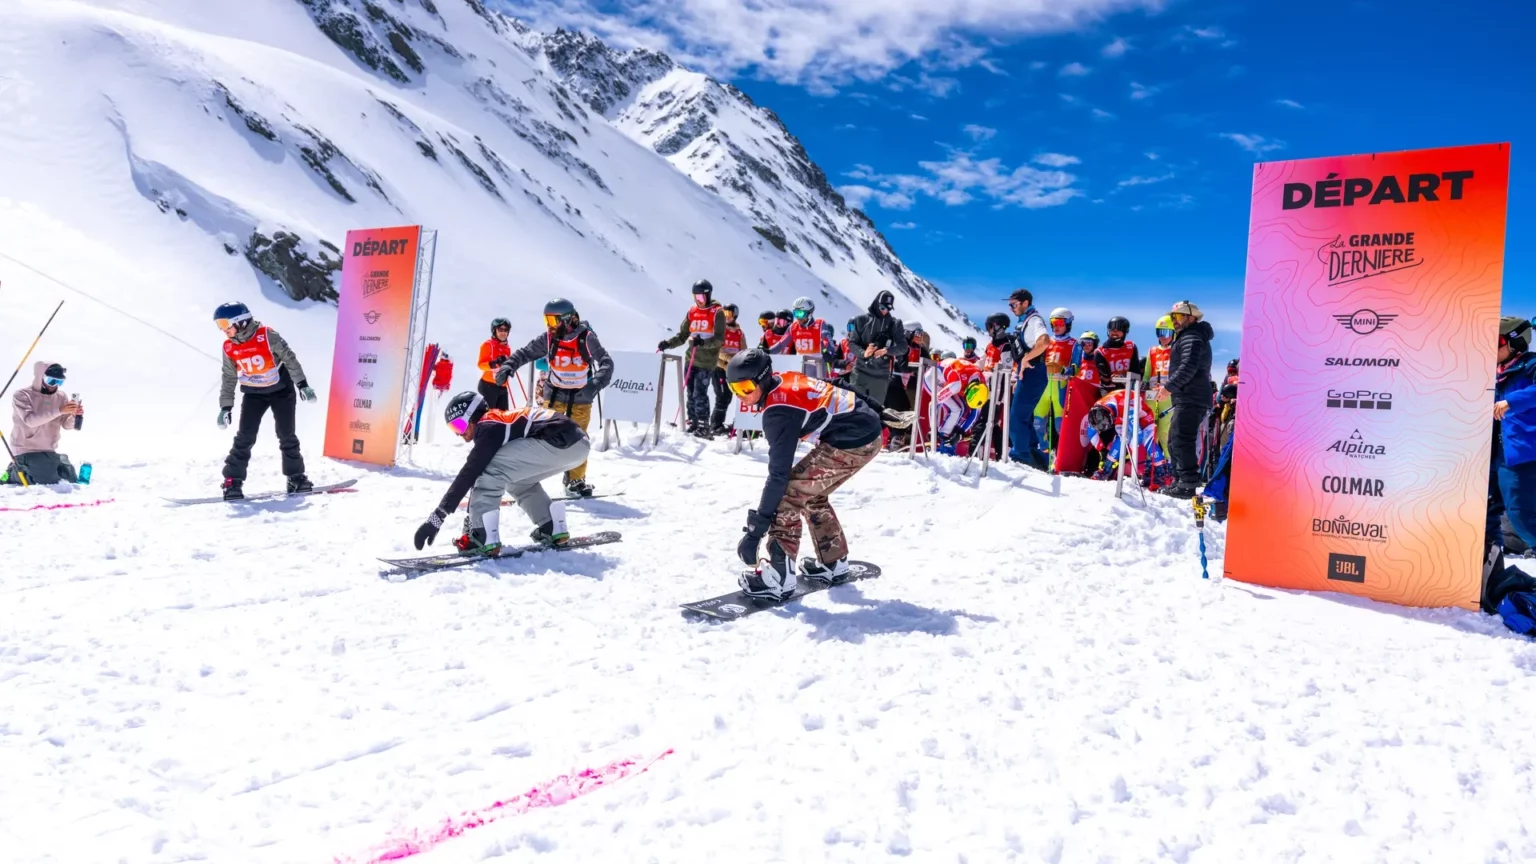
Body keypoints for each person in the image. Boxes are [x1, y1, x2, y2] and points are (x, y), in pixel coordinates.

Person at [725, 349, 884, 600]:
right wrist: (878, 410)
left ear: (763, 379)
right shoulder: (784, 379)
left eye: (745, 388)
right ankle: (833, 562)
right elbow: (834, 385)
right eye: (734, 389)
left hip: (854, 440)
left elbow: (778, 475)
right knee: (811, 493)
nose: (741, 396)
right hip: (864, 432)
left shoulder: (778, 412)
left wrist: (755, 533)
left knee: (788, 494)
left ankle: (780, 576)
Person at [411, 392, 591, 555]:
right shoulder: (497, 421)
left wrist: (437, 518)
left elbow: (470, 473)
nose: (460, 434)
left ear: (472, 417)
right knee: (517, 481)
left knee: (489, 469)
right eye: (453, 429)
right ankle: (551, 525)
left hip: (559, 441)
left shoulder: (488, 425)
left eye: (459, 425)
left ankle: (482, 536)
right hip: (577, 445)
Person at [492, 299, 612, 497]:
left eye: (553, 320)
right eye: (547, 320)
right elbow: (526, 353)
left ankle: (575, 480)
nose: (549, 325)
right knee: (543, 437)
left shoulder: (586, 338)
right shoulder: (549, 338)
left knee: (579, 439)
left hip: (580, 397)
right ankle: (524, 477)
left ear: (566, 319)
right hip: (554, 395)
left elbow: (607, 362)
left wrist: (594, 385)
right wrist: (508, 366)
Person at [214, 302, 315, 500]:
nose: (223, 329)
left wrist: (302, 385)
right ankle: (232, 481)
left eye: (225, 323)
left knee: (287, 435)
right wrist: (225, 407)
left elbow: (290, 359)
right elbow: (228, 376)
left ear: (241, 321)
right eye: (219, 325)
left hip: (281, 391)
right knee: (245, 437)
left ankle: (296, 477)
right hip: (253, 394)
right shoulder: (229, 347)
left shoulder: (268, 336)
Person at [1155, 300, 1213, 498]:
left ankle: (1187, 484)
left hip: (1192, 397)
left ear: (1191, 317)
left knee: (1181, 439)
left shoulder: (1193, 337)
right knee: (1174, 439)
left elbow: (1188, 366)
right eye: (1173, 317)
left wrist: (1169, 387)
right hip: (1188, 396)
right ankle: (1180, 480)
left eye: (1178, 316)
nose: (1175, 321)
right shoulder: (1188, 336)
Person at [658, 279, 726, 438]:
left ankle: (703, 425)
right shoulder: (692, 311)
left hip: (706, 361)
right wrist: (668, 344)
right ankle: (693, 422)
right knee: (689, 392)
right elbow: (682, 336)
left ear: (708, 296)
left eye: (701, 297)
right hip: (691, 359)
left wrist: (702, 342)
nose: (698, 301)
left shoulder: (717, 312)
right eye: (695, 297)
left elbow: (719, 339)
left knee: (699, 392)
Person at [1494, 316, 1536, 549]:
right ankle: (1491, 569)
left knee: (1522, 517)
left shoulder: (1532, 366)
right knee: (1488, 511)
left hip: (1522, 455)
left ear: (1515, 342)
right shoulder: (1493, 372)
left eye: (1496, 341)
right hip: (1494, 455)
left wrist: (1511, 401)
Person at [5, 361, 84, 484]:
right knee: (48, 480)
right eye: (51, 381)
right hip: (26, 449)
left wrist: (74, 416)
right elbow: (30, 421)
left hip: (48, 450)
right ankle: (13, 472)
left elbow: (66, 425)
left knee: (70, 478)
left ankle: (47, 465)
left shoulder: (61, 396)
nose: (54, 385)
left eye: (59, 382)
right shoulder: (22, 395)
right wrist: (59, 410)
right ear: (40, 377)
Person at [1006, 289, 1052, 468]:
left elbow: (1045, 341)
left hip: (1034, 372)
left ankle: (1020, 457)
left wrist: (1027, 357)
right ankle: (1036, 458)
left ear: (1025, 303)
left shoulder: (1034, 320)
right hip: (1028, 373)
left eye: (1014, 305)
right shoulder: (1025, 321)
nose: (1011, 308)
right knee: (1023, 417)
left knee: (1017, 416)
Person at [1085, 389, 1168, 487]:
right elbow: (1091, 432)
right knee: (1121, 438)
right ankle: (1106, 470)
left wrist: (1129, 452)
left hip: (1141, 415)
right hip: (1120, 417)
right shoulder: (1096, 412)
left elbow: (1138, 435)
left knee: (1147, 439)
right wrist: (1102, 449)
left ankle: (1162, 474)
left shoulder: (1128, 408)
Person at [847, 290, 908, 407]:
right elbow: (852, 343)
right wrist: (864, 353)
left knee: (875, 413)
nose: (885, 311)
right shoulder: (861, 320)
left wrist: (887, 350)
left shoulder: (895, 324)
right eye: (882, 307)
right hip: (860, 373)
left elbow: (903, 347)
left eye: (888, 309)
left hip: (881, 376)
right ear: (876, 303)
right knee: (854, 409)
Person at [1033, 307, 1077, 465]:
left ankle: (1062, 456)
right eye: (1053, 323)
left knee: (1060, 426)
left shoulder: (1074, 344)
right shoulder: (1046, 342)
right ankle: (1044, 454)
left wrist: (1063, 369)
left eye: (1059, 322)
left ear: (1068, 324)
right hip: (1044, 385)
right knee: (1038, 423)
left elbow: (1077, 368)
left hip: (1060, 386)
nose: (1056, 326)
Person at [920, 356, 989, 455]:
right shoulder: (956, 385)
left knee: (963, 409)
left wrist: (960, 433)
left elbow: (974, 415)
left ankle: (947, 442)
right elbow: (934, 403)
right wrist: (933, 428)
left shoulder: (982, 389)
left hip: (953, 376)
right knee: (956, 409)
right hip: (933, 378)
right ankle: (944, 444)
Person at [711, 303, 747, 435]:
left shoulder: (739, 333)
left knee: (731, 396)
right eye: (724, 314)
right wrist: (728, 361)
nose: (726, 317)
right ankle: (715, 425)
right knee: (722, 396)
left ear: (735, 315)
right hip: (719, 367)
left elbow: (743, 349)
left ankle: (735, 423)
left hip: (732, 369)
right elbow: (715, 350)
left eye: (729, 314)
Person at [1144, 315, 1175, 451]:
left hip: (1167, 395)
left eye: (1166, 332)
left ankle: (1168, 462)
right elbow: (1147, 373)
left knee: (1164, 431)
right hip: (1151, 394)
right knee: (1150, 430)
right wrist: (1144, 386)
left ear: (1173, 333)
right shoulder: (1152, 350)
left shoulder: (1176, 350)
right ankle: (1150, 460)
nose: (1163, 336)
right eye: (1160, 333)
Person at [786, 296, 837, 374]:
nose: (798, 317)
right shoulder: (794, 327)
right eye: (796, 313)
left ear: (809, 313)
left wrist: (828, 352)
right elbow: (782, 344)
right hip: (800, 366)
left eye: (801, 313)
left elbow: (828, 343)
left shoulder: (819, 324)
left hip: (816, 368)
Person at [1094, 316, 1141, 393]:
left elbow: (1136, 373)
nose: (1115, 332)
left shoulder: (1131, 347)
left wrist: (1123, 378)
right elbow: (1105, 379)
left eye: (1118, 330)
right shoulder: (1100, 352)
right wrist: (1112, 379)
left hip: (1128, 389)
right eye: (1112, 329)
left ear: (1125, 332)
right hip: (1109, 390)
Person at [477, 317, 513, 410]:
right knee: (489, 417)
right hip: (488, 386)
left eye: (506, 330)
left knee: (504, 417)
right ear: (494, 330)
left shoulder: (507, 348)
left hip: (502, 387)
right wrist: (493, 363)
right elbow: (480, 365)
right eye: (500, 329)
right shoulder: (487, 345)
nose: (503, 333)